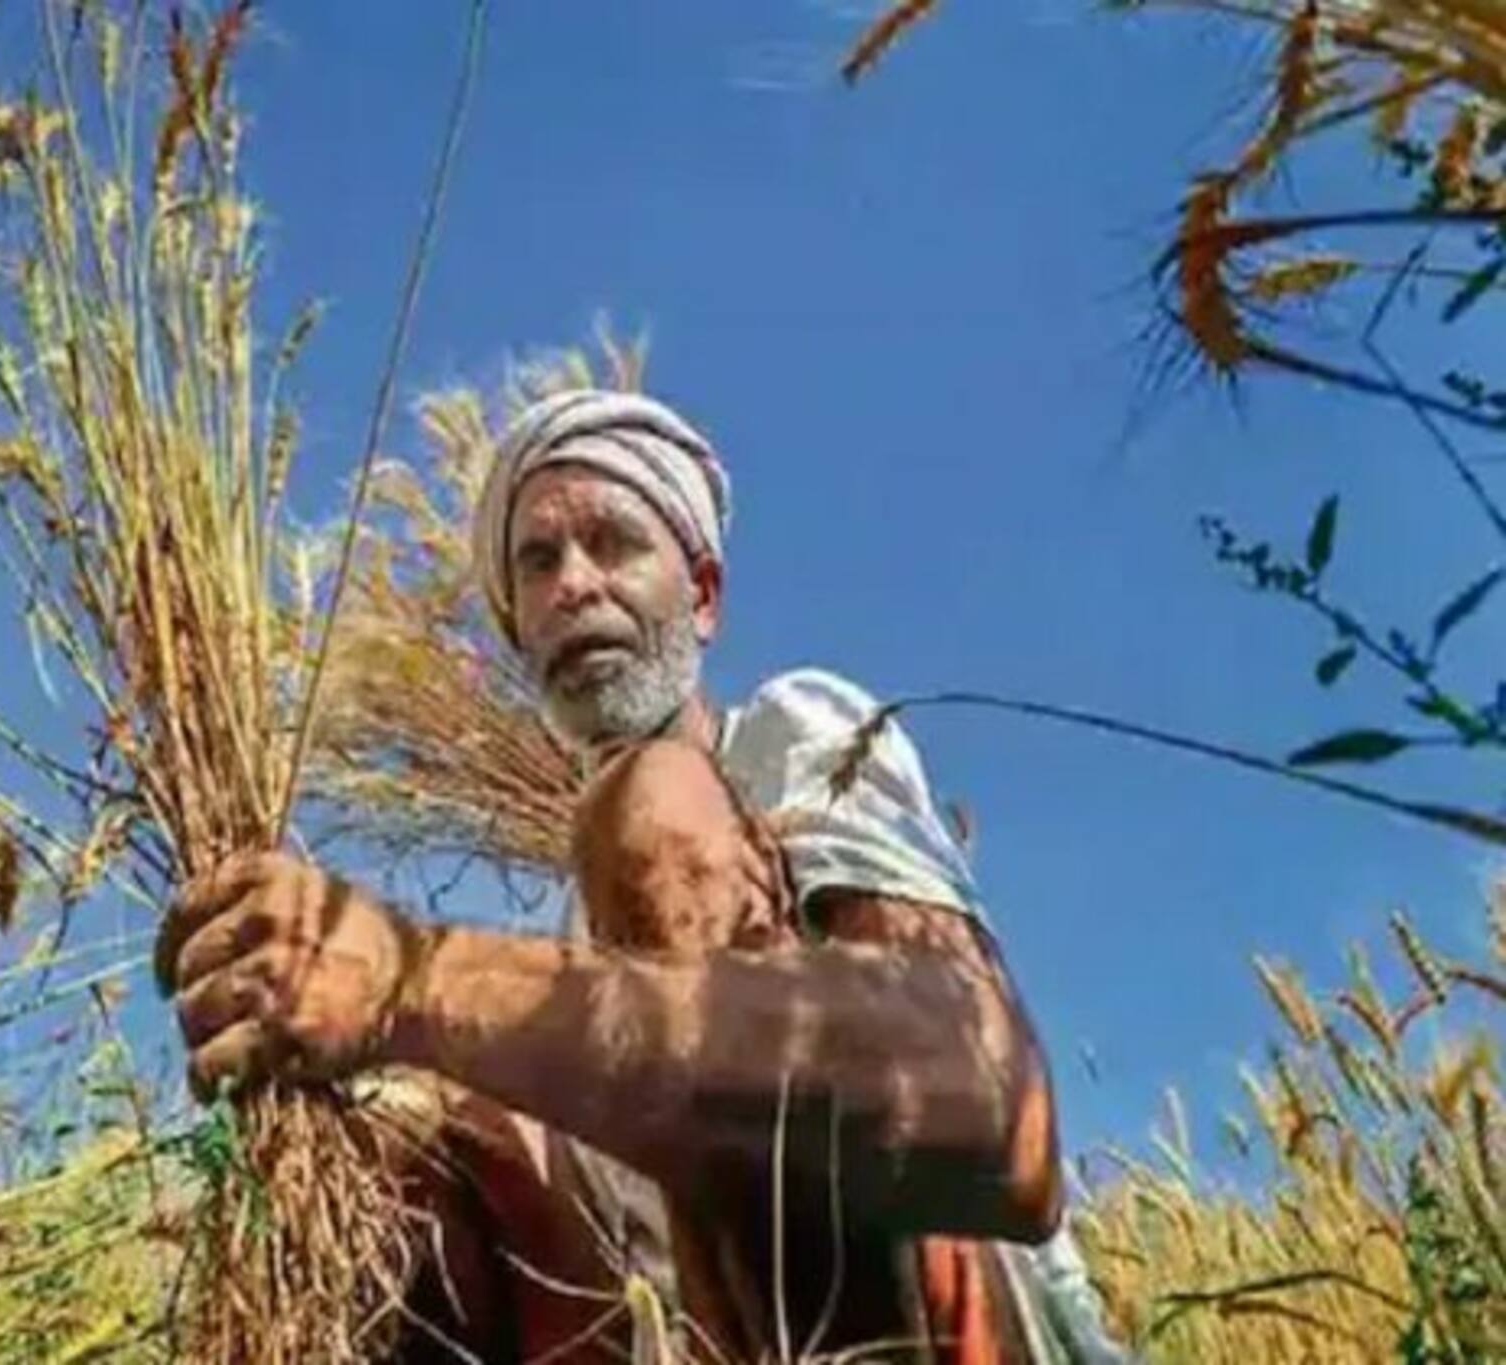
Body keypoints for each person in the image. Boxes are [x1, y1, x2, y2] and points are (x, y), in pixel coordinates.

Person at [154, 390, 1132, 1363]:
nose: (573, 584)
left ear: (702, 596)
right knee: (418, 1125)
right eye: (536, 564)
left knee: (651, 805)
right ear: (519, 630)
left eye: (612, 543)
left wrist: (410, 982)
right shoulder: (573, 944)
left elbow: (999, 1121)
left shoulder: (794, 741)